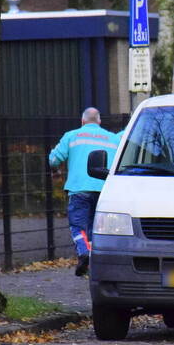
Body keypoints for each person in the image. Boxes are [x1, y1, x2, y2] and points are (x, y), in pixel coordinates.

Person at [49, 107, 122, 277]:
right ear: (99, 121)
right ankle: (95, 264)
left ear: (82, 121)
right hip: (104, 190)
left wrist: (55, 170)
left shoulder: (71, 136)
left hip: (79, 189)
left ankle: (83, 252)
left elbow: (53, 159)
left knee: (77, 226)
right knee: (96, 227)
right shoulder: (113, 139)